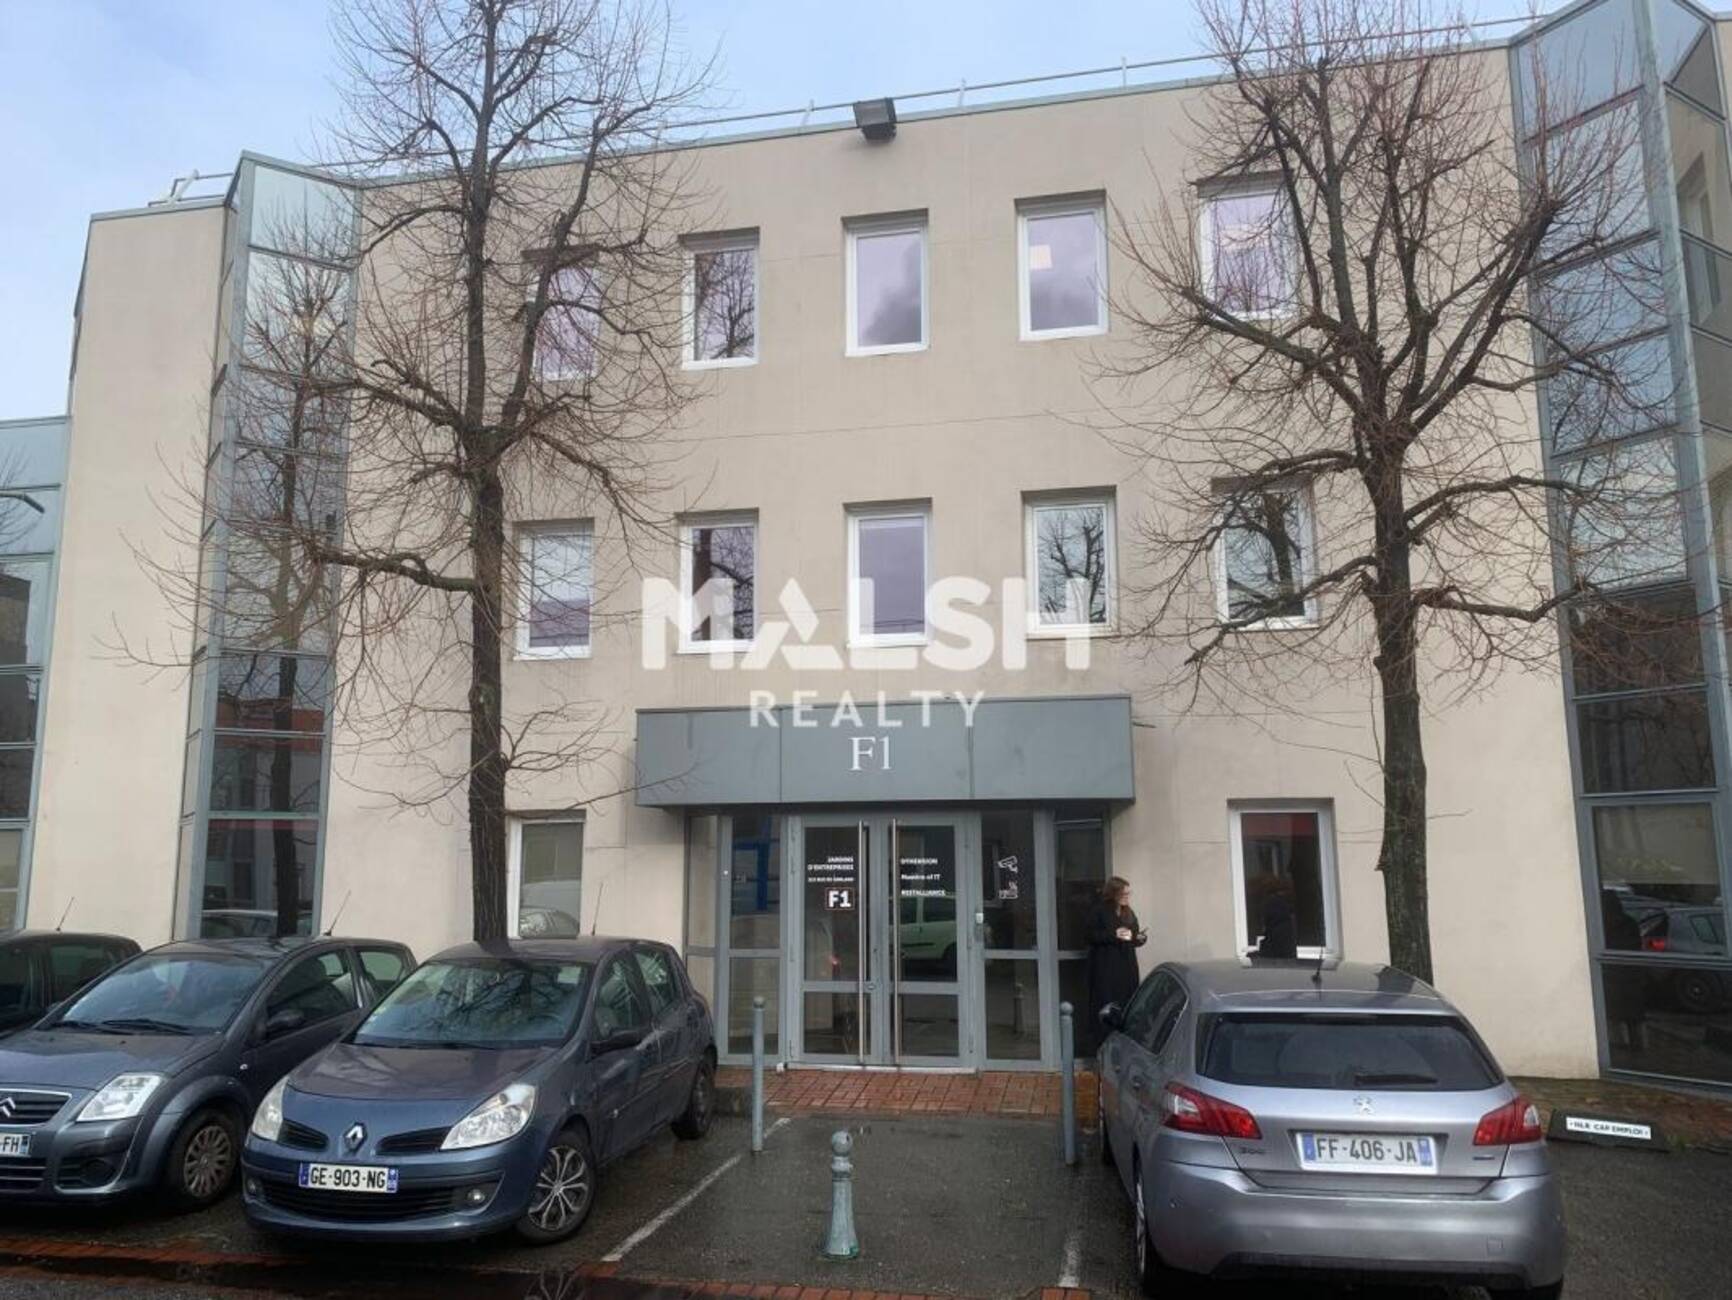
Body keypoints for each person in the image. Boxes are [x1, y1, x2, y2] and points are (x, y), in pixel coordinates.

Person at [1086, 876, 1147, 1052]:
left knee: (1127, 1005)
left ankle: (1123, 1050)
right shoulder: (1099, 911)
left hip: (1127, 967)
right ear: (1113, 894)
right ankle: (1104, 1049)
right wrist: (1114, 935)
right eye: (1124, 894)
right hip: (1106, 967)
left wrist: (1140, 938)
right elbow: (1090, 936)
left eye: (1128, 893)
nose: (1127, 897)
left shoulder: (1129, 912)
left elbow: (1133, 936)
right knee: (1107, 1005)